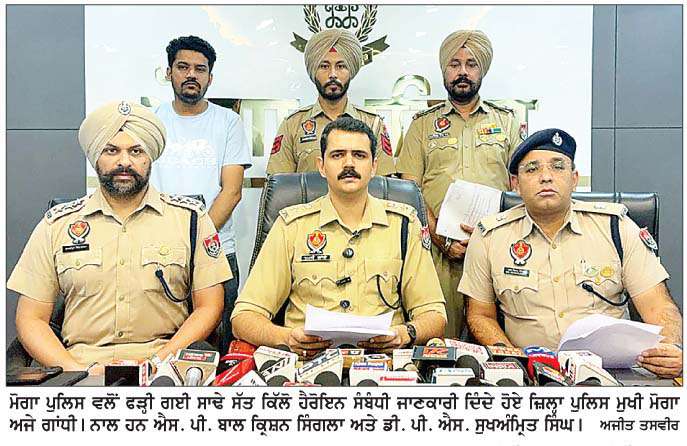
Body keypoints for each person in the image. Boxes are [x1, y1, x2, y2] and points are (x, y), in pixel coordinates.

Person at [7, 101, 231, 372]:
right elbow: (31, 318)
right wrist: (75, 372)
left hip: (164, 369)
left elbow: (210, 307)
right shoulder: (57, 225)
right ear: (95, 157)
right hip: (79, 369)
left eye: (136, 151)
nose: (124, 161)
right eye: (111, 150)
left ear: (150, 158)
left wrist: (158, 363)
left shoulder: (191, 219)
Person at [458, 128, 683, 378]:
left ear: (574, 178)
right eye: (532, 169)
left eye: (558, 167)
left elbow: (658, 305)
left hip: (610, 374)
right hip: (530, 374)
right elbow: (480, 315)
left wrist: (670, 349)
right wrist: (511, 359)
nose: (546, 177)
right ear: (515, 184)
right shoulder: (489, 236)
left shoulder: (616, 228)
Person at [232, 117, 446, 357]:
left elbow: (434, 314)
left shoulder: (403, 224)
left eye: (359, 155)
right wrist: (287, 338)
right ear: (321, 166)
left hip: (382, 365)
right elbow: (244, 317)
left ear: (374, 166)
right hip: (308, 366)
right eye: (337, 155)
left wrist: (404, 334)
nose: (349, 163)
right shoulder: (292, 226)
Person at [396, 30, 525, 338]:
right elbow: (409, 191)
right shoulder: (422, 125)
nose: (463, 72)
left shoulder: (506, 122)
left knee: (498, 341)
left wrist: (492, 238)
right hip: (437, 254)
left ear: (482, 70)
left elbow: (521, 188)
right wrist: (442, 240)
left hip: (497, 250)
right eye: (455, 64)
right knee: (440, 342)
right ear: (444, 71)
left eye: (471, 64)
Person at [150, 35, 252, 355]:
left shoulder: (228, 122)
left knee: (220, 348)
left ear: (210, 77)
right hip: (159, 251)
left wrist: (194, 239)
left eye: (200, 69)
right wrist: (176, 242)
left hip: (216, 250)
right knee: (162, 343)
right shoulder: (151, 121)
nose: (191, 75)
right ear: (169, 73)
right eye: (183, 67)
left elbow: (231, 191)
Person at [266, 29, 395, 176]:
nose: (332, 74)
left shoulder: (373, 124)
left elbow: (384, 184)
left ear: (350, 71)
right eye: (324, 66)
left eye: (341, 66)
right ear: (314, 71)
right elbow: (280, 185)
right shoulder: (292, 125)